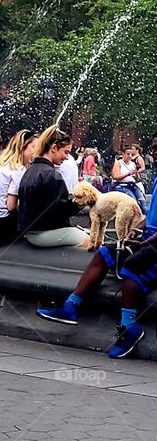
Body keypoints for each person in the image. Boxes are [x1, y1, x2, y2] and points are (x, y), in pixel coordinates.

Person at [36, 179, 157, 357]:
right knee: (104, 254)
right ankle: (71, 306)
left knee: (132, 267)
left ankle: (129, 327)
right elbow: (151, 218)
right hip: (147, 239)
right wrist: (136, 231)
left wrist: (145, 243)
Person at [17, 124, 90, 247]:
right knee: (91, 242)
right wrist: (80, 202)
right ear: (54, 148)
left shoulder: (30, 170)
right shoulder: (52, 175)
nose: (67, 158)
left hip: (30, 232)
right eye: (66, 152)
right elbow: (59, 212)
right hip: (44, 233)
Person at [0, 130, 37, 246]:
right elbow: (11, 206)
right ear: (22, 147)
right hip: (0, 230)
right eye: (34, 147)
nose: (37, 152)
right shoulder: (19, 169)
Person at [111, 145, 148, 212]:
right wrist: (128, 174)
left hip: (133, 185)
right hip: (122, 186)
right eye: (128, 154)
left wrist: (136, 176)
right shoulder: (118, 163)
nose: (130, 156)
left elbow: (136, 177)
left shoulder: (133, 164)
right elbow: (115, 177)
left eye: (131, 154)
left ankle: (147, 220)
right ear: (123, 154)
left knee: (143, 203)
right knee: (133, 202)